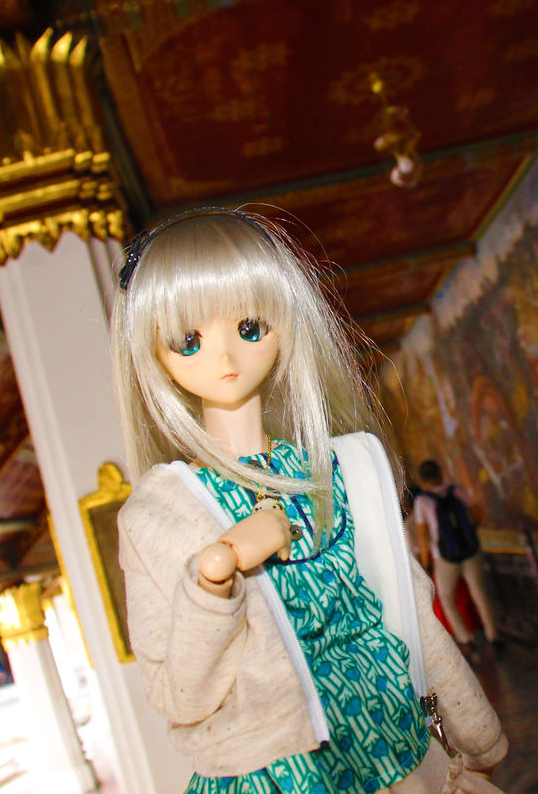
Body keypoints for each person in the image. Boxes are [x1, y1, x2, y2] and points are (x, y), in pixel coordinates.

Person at [110, 208, 506, 793]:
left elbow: (411, 610)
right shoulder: (159, 516)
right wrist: (215, 574)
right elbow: (180, 696)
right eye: (188, 341)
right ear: (153, 355)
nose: (224, 359)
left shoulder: (343, 470)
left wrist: (479, 737)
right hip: (282, 778)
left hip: (398, 753)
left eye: (249, 328)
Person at [412, 462, 501, 657]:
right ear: (440, 472)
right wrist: (471, 531)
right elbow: (477, 512)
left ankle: (466, 639)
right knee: (479, 592)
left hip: (444, 557)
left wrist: (427, 563)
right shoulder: (456, 490)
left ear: (422, 479)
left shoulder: (422, 501)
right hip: (470, 550)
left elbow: (423, 535)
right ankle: (493, 636)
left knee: (446, 598)